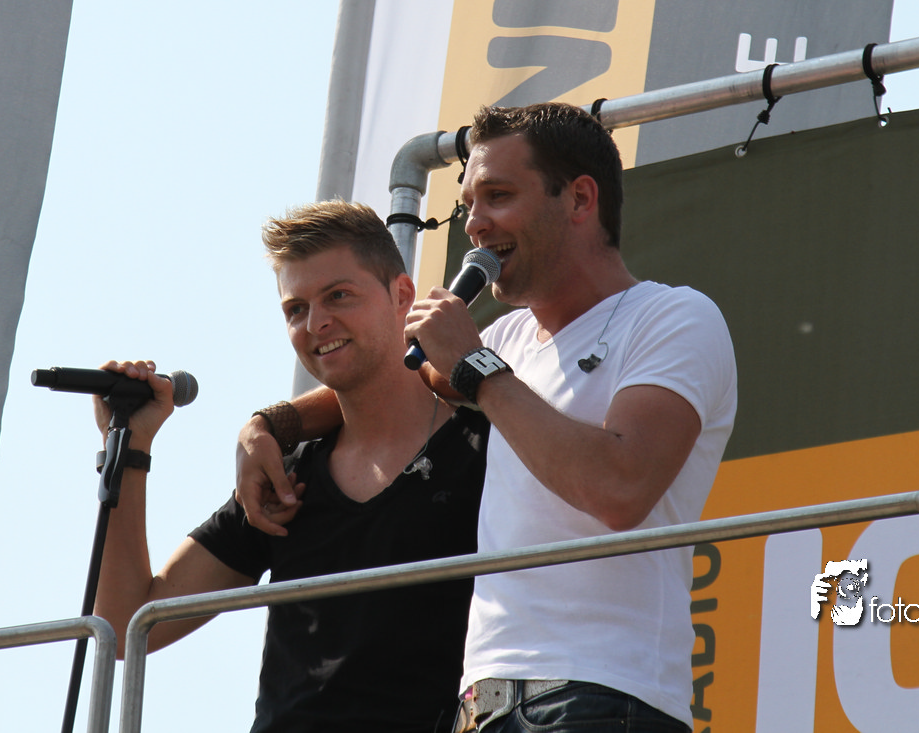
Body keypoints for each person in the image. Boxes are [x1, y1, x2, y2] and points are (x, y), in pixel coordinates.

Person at [238, 102, 736, 732]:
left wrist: (477, 369)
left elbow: (619, 489)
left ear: (580, 199)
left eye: (498, 196)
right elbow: (385, 384)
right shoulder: (506, 340)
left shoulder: (674, 317)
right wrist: (269, 427)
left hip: (603, 695)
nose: (474, 224)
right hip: (481, 710)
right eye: (469, 203)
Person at [91, 201, 487, 733]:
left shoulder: (487, 449)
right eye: (295, 309)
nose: (316, 323)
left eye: (338, 295)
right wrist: (128, 447)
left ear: (402, 295)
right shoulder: (282, 480)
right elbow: (126, 624)